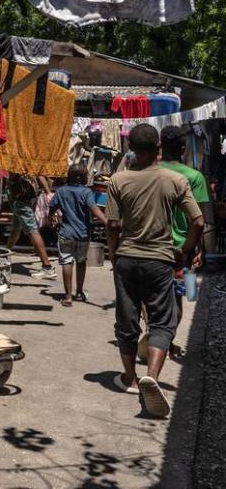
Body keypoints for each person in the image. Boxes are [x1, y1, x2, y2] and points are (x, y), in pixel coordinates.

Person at [106, 123, 204, 418]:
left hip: (126, 258)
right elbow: (198, 222)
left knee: (127, 320)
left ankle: (129, 379)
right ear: (158, 148)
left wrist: (113, 256)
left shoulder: (118, 180)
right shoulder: (175, 180)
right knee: (162, 321)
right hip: (160, 260)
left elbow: (112, 225)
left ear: (131, 149)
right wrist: (185, 250)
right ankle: (151, 376)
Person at [158, 125, 211, 359]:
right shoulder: (194, 177)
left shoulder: (148, 171)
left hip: (151, 246)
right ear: (183, 147)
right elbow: (201, 220)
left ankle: (155, 337)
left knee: (155, 297)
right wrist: (199, 250)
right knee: (179, 299)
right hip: (183, 249)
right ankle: (165, 343)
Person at [48, 164, 107, 306]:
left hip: (66, 233)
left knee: (67, 262)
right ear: (82, 178)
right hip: (83, 234)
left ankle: (68, 296)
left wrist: (52, 217)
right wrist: (106, 221)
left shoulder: (61, 191)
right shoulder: (86, 192)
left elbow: (51, 207)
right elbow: (94, 209)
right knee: (81, 262)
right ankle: (79, 291)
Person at [6, 173, 57, 279]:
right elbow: (39, 174)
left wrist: (48, 193)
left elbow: (39, 174)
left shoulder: (18, 161)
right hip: (27, 196)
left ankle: (47, 266)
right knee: (17, 226)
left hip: (20, 197)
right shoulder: (28, 160)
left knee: (32, 230)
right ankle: (5, 254)